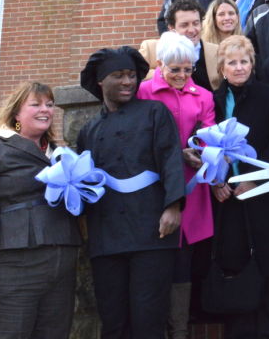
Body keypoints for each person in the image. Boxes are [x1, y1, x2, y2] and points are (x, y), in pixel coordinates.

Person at [0, 82, 82, 339]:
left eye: (49, 104)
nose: (45, 110)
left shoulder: (61, 154)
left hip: (60, 269)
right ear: (15, 113)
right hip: (10, 268)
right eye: (35, 104)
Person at [78, 46, 186, 338]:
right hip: (106, 236)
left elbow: (170, 158)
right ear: (100, 81)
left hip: (152, 231)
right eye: (118, 76)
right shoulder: (88, 131)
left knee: (148, 319)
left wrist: (173, 206)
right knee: (113, 320)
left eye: (132, 75)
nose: (128, 82)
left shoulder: (155, 113)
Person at [209, 35, 269, 338]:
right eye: (232, 63)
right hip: (231, 203)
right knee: (237, 269)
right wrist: (217, 180)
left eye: (244, 61)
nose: (239, 68)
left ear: (252, 64)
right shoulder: (212, 101)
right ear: (222, 68)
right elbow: (205, 146)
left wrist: (254, 178)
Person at [137, 32, 216, 339]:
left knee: (185, 260)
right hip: (154, 186)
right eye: (175, 69)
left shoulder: (204, 96)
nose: (182, 76)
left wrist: (200, 152)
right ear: (159, 64)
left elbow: (210, 134)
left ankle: (180, 330)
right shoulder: (144, 92)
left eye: (188, 69)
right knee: (157, 256)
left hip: (193, 186)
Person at [140, 0, 221, 91]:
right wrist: (166, 72)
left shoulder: (216, 51)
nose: (191, 30)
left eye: (196, 23)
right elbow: (135, 75)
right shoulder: (151, 49)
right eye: (184, 25)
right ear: (171, 28)